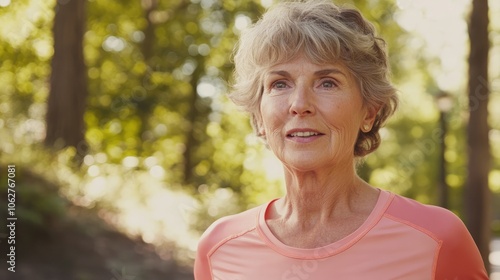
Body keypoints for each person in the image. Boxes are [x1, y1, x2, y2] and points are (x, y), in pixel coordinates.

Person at [194, 1, 488, 279]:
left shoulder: (437, 239)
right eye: (279, 83)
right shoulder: (218, 248)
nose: (300, 104)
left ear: (369, 113)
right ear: (258, 117)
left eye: (327, 82)